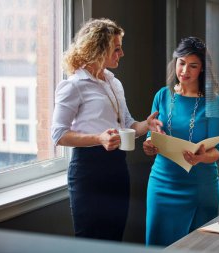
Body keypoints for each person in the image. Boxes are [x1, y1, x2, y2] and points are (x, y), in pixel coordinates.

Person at [51, 18, 162, 241]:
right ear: (99, 49)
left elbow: (128, 124)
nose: (121, 53)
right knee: (90, 241)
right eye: (117, 48)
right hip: (88, 172)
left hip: (118, 169)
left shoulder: (114, 82)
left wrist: (146, 125)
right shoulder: (73, 85)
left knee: (114, 239)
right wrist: (98, 138)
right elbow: (58, 135)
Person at [143, 37, 219, 246]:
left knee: (198, 247)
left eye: (193, 65)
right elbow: (151, 135)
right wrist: (149, 144)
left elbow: (217, 151)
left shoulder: (215, 102)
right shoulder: (162, 95)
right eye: (181, 63)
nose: (184, 71)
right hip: (161, 184)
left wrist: (202, 157)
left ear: (202, 69)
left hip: (199, 187)